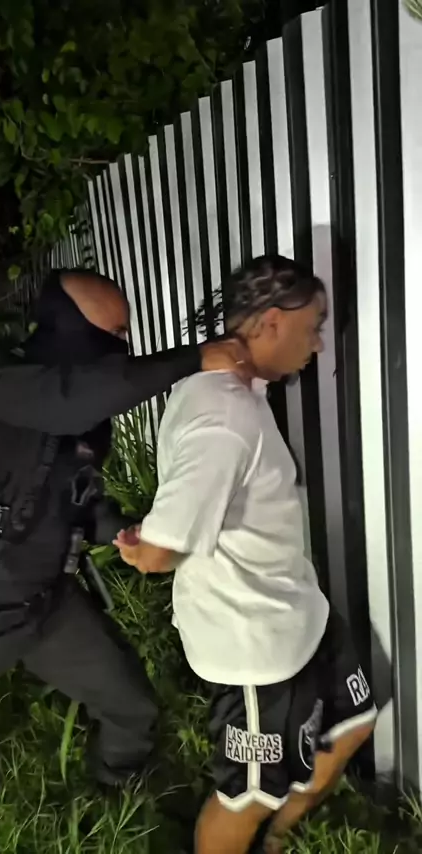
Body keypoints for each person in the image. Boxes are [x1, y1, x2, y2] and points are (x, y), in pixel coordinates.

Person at [0, 267, 252, 797]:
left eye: (124, 335)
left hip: (44, 608)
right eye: (111, 335)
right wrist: (195, 358)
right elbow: (67, 402)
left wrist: (117, 529)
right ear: (64, 328)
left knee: (131, 705)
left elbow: (79, 494)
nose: (120, 348)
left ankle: (118, 792)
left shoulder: (86, 419)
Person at [114, 255, 377, 854]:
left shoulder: (234, 390)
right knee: (250, 794)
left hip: (298, 613)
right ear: (271, 322)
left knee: (353, 727)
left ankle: (276, 842)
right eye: (313, 327)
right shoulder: (223, 415)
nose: (318, 344)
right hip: (254, 645)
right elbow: (158, 553)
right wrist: (143, 546)